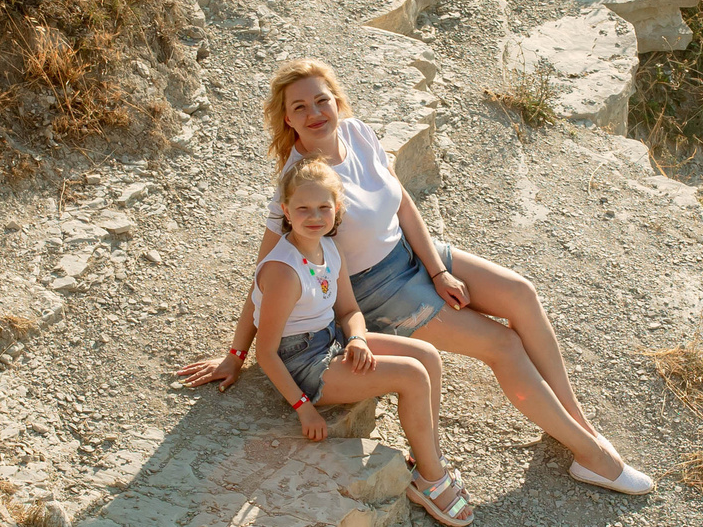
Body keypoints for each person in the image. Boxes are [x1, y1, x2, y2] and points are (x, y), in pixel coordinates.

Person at [179, 58, 653, 496]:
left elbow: (403, 203)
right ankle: (590, 456)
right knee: (503, 345)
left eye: (321, 99)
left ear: (336, 100)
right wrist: (236, 354)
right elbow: (265, 276)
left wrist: (439, 269)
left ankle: (576, 422)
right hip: (377, 291)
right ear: (287, 119)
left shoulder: (358, 133)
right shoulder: (300, 185)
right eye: (299, 107)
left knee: (521, 295)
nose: (315, 112)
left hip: (413, 254)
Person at [254, 159, 471, 527]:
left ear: (337, 209)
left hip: (333, 340)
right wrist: (304, 408)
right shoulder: (284, 271)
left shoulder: (328, 249)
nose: (314, 216)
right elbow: (267, 352)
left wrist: (356, 337)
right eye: (303, 208)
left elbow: (350, 310)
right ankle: (431, 481)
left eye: (324, 207)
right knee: (412, 376)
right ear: (286, 211)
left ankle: (427, 458)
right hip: (303, 363)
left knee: (428, 356)